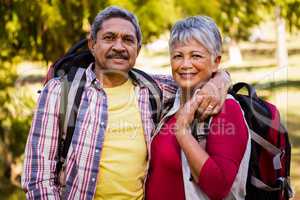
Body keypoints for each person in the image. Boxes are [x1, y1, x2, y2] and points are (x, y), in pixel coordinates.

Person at [21, 6, 231, 200]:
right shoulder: (61, 91)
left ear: (137, 50)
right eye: (109, 38)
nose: (119, 47)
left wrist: (220, 79)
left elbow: (195, 76)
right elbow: (38, 179)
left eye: (128, 40)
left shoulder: (153, 89)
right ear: (92, 45)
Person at [146, 16, 251, 200]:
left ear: (216, 61)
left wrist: (182, 131)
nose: (185, 64)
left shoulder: (225, 109)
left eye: (196, 56)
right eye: (178, 56)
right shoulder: (170, 98)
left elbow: (218, 187)